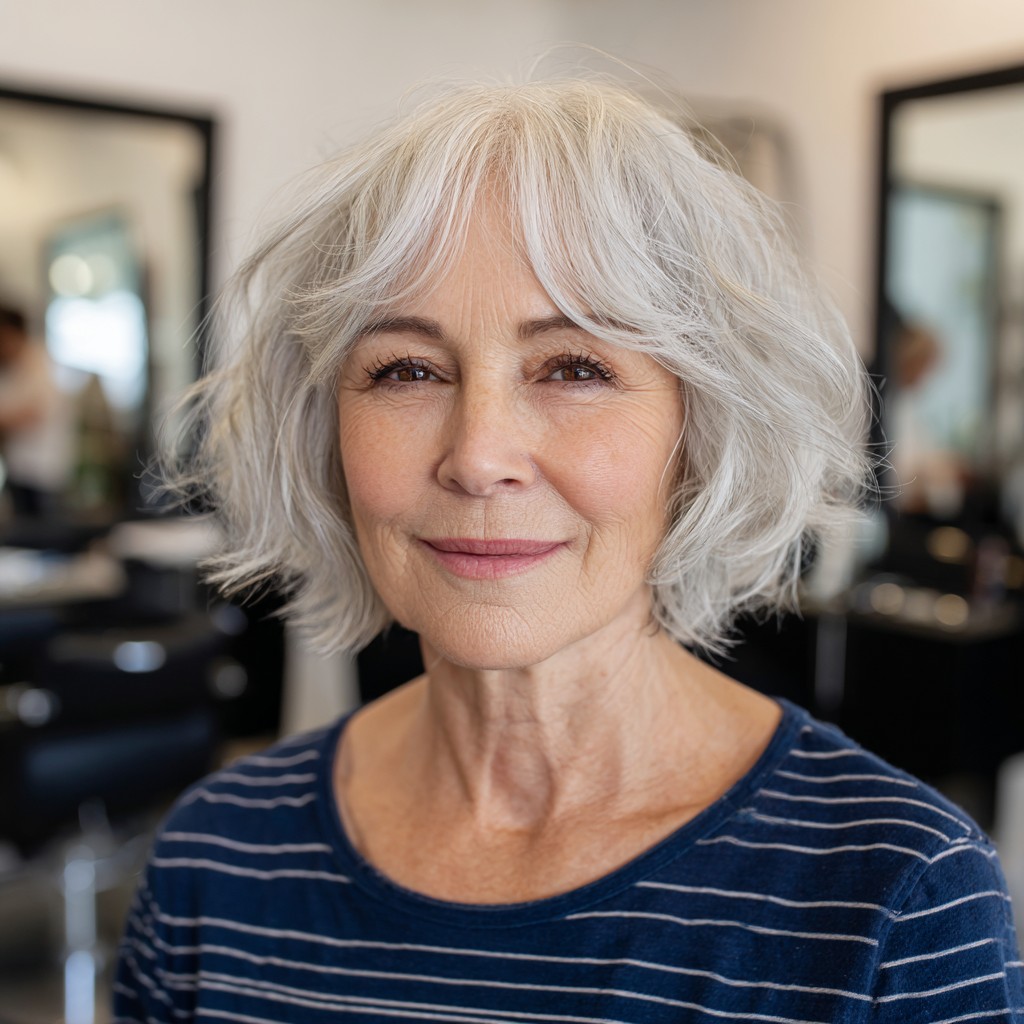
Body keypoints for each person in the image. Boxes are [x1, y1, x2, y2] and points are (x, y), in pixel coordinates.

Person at [114, 79, 1023, 1022]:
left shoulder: (895, 898)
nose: (477, 457)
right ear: (325, 435)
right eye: (408, 369)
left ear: (701, 433)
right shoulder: (214, 862)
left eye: (576, 367)